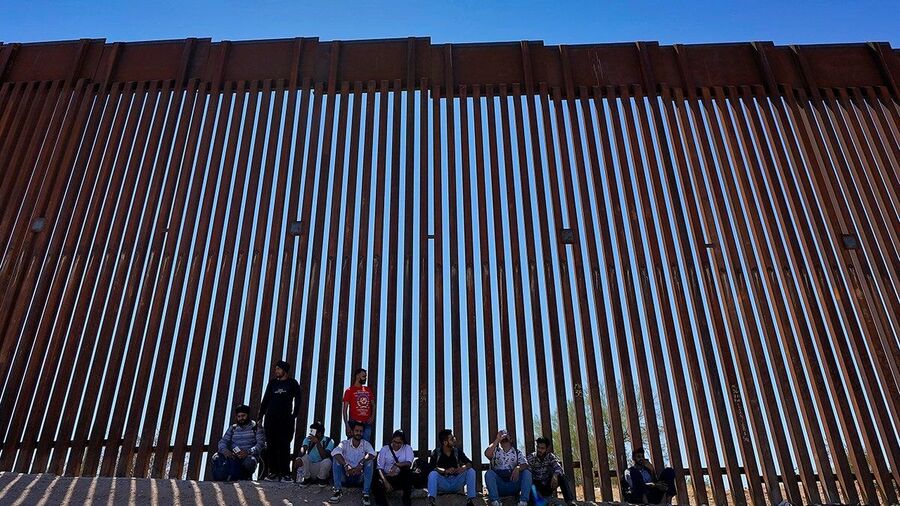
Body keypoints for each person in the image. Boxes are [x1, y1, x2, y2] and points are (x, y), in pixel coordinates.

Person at [259, 360, 302, 482]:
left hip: (285, 420)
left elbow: (298, 399)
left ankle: (285, 474)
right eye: (276, 369)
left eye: (278, 369)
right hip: (270, 419)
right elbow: (265, 400)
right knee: (271, 446)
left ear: (284, 370)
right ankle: (273, 472)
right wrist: (260, 417)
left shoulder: (292, 383)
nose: (276, 371)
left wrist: (294, 415)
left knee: (284, 446)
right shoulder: (272, 384)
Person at [211, 405, 266, 481]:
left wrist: (248, 452)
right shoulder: (233, 428)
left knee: (250, 461)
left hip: (248, 457)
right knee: (216, 457)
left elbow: (260, 444)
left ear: (248, 415)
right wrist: (226, 451)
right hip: (232, 457)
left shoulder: (256, 428)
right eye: (238, 416)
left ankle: (244, 478)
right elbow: (223, 442)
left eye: (243, 416)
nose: (241, 418)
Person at [426, 429, 477, 506]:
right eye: (451, 438)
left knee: (471, 471)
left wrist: (462, 468)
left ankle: (470, 500)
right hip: (443, 483)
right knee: (433, 474)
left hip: (456, 482)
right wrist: (445, 471)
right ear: (445, 442)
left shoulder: (457, 451)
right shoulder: (436, 452)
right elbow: (431, 467)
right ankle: (432, 501)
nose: (454, 439)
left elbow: (469, 463)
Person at [331, 421, 376, 505]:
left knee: (369, 461)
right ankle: (337, 490)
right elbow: (335, 452)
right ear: (352, 431)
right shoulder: (344, 443)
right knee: (336, 458)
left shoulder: (366, 444)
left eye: (361, 431)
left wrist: (361, 463)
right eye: (356, 431)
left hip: (359, 478)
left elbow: (373, 454)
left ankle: (365, 494)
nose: (358, 433)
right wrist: (345, 465)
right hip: (345, 476)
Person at [484, 430, 531, 506]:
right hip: (500, 486)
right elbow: (487, 453)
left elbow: (525, 464)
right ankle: (495, 501)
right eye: (502, 435)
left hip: (513, 484)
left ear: (511, 439)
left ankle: (523, 502)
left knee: (527, 473)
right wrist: (497, 440)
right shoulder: (495, 451)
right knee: (489, 474)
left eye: (506, 435)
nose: (504, 437)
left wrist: (518, 468)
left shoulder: (517, 452)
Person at [527, 437, 575, 505]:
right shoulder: (531, 457)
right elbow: (527, 472)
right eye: (538, 447)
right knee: (530, 483)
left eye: (542, 448)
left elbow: (558, 468)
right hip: (536, 486)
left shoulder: (550, 456)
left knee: (562, 477)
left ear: (546, 449)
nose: (539, 450)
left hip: (548, 485)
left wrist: (555, 475)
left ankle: (569, 501)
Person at [373, 429, 415, 506]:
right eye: (395, 442)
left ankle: (406, 501)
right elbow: (379, 468)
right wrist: (385, 482)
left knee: (407, 472)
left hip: (400, 477)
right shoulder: (385, 449)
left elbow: (409, 463)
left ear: (403, 442)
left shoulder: (407, 448)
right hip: (387, 477)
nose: (396, 444)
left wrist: (397, 465)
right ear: (392, 440)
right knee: (377, 484)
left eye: (399, 443)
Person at [295, 421, 336, 487]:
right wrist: (299, 457)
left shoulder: (329, 441)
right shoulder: (308, 439)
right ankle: (307, 479)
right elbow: (303, 448)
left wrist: (317, 442)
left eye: (313, 431)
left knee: (328, 461)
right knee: (304, 457)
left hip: (321, 468)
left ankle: (321, 480)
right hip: (310, 467)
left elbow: (324, 456)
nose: (311, 433)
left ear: (319, 433)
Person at [342, 368, 375, 444]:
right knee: (352, 446)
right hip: (353, 423)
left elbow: (373, 405)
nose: (365, 378)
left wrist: (372, 416)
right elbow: (344, 409)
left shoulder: (368, 390)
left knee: (365, 446)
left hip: (366, 423)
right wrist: (347, 425)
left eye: (366, 377)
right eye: (363, 376)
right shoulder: (349, 391)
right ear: (357, 376)